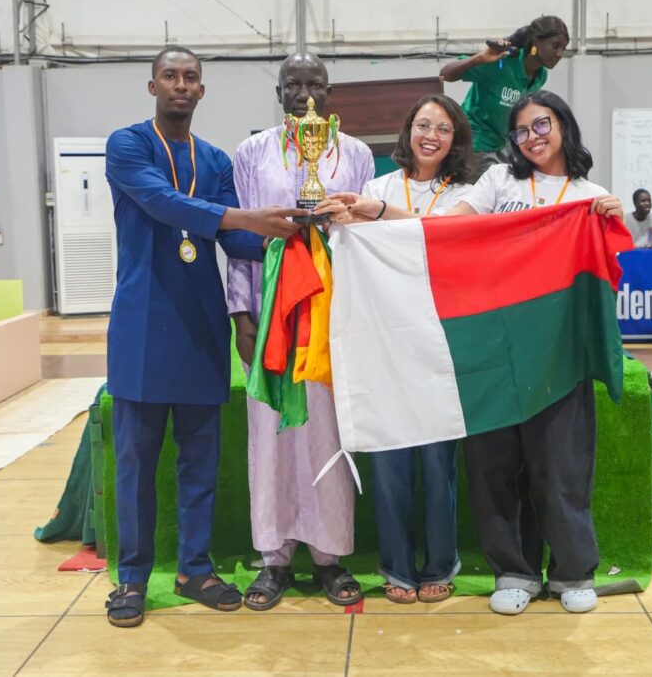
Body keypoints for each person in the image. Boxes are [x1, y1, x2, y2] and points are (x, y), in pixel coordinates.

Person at [323, 90, 624, 615]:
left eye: (541, 125)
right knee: (495, 469)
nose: (531, 138)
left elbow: (608, 269)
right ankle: (514, 571)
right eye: (521, 130)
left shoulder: (589, 195)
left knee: (560, 468)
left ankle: (573, 572)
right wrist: (377, 212)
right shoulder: (498, 181)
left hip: (558, 355)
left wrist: (611, 220)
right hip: (491, 352)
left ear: (564, 126)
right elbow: (447, 231)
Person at [103, 46, 301, 628]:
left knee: (199, 462)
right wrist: (245, 219)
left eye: (190, 77)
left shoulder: (213, 159)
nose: (181, 85)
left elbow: (236, 240)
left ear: (201, 90)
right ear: (153, 86)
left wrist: (297, 232)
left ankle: (194, 569)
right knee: (137, 465)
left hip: (199, 325)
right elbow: (164, 204)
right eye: (170, 76)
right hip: (142, 324)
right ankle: (132, 579)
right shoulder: (128, 145)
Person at [226, 51, 374, 611]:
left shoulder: (355, 154)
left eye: (315, 84)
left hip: (332, 313)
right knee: (270, 431)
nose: (304, 93)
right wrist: (242, 316)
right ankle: (275, 558)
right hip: (272, 314)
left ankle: (329, 557)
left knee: (327, 432)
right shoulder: (252, 152)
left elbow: (364, 234)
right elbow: (239, 240)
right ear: (279, 92)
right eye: (293, 84)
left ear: (330, 93)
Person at [354, 94, 475, 604]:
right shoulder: (377, 185)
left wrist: (381, 216)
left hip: (439, 342)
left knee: (437, 463)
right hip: (384, 339)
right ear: (407, 131)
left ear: (456, 139)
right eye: (423, 125)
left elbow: (452, 236)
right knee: (388, 461)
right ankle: (396, 566)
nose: (431, 136)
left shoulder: (467, 192)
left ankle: (441, 563)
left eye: (443, 128)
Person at [439, 15, 569, 174]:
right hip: (476, 142)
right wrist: (480, 57)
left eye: (563, 48)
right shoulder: (501, 63)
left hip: (503, 145)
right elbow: (445, 74)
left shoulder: (541, 75)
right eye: (555, 46)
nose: (559, 54)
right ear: (536, 42)